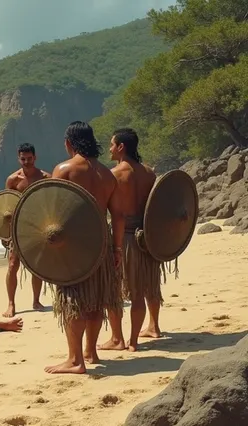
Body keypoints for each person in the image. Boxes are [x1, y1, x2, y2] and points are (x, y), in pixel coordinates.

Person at [45, 121, 125, 374]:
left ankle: (75, 360)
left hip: (73, 243)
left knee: (73, 299)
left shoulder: (64, 169)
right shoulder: (108, 175)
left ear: (69, 143)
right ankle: (91, 351)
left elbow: (51, 212)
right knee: (96, 298)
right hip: (101, 241)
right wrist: (117, 249)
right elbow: (119, 216)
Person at [98, 128, 162, 352]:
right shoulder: (149, 173)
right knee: (144, 289)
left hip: (124, 238)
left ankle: (118, 339)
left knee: (114, 290)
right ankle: (135, 340)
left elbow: (110, 211)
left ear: (121, 147)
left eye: (111, 144)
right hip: (148, 239)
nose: (109, 148)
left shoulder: (115, 174)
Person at [2, 143, 51, 317]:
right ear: (19, 159)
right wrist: (4, 233)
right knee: (13, 265)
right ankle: (11, 303)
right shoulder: (13, 180)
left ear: (35, 157)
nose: (27, 162)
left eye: (29, 158)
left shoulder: (45, 177)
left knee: (36, 266)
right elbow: (5, 207)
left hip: (38, 227)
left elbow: (51, 204)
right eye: (23, 159)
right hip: (17, 227)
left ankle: (36, 300)